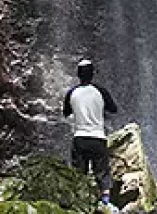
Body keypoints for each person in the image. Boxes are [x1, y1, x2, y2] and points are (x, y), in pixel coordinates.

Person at [63, 59, 119, 211]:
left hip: (79, 137)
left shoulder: (71, 92)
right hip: (98, 137)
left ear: (78, 75)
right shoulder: (100, 91)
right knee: (102, 172)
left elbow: (66, 113)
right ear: (93, 73)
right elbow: (113, 109)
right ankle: (106, 203)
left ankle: (79, 204)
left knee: (78, 172)